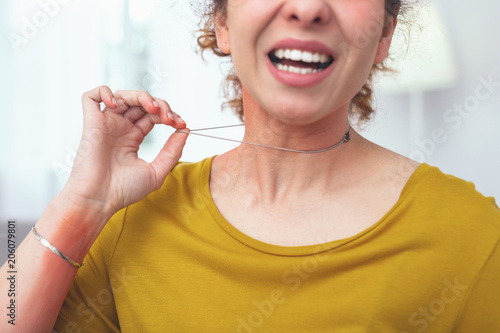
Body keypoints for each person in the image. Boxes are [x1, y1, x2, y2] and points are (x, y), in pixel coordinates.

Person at [1, 0, 499, 332]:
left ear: (384, 35)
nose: (306, 8)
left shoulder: (473, 237)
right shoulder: (135, 213)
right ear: (221, 24)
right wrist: (80, 204)